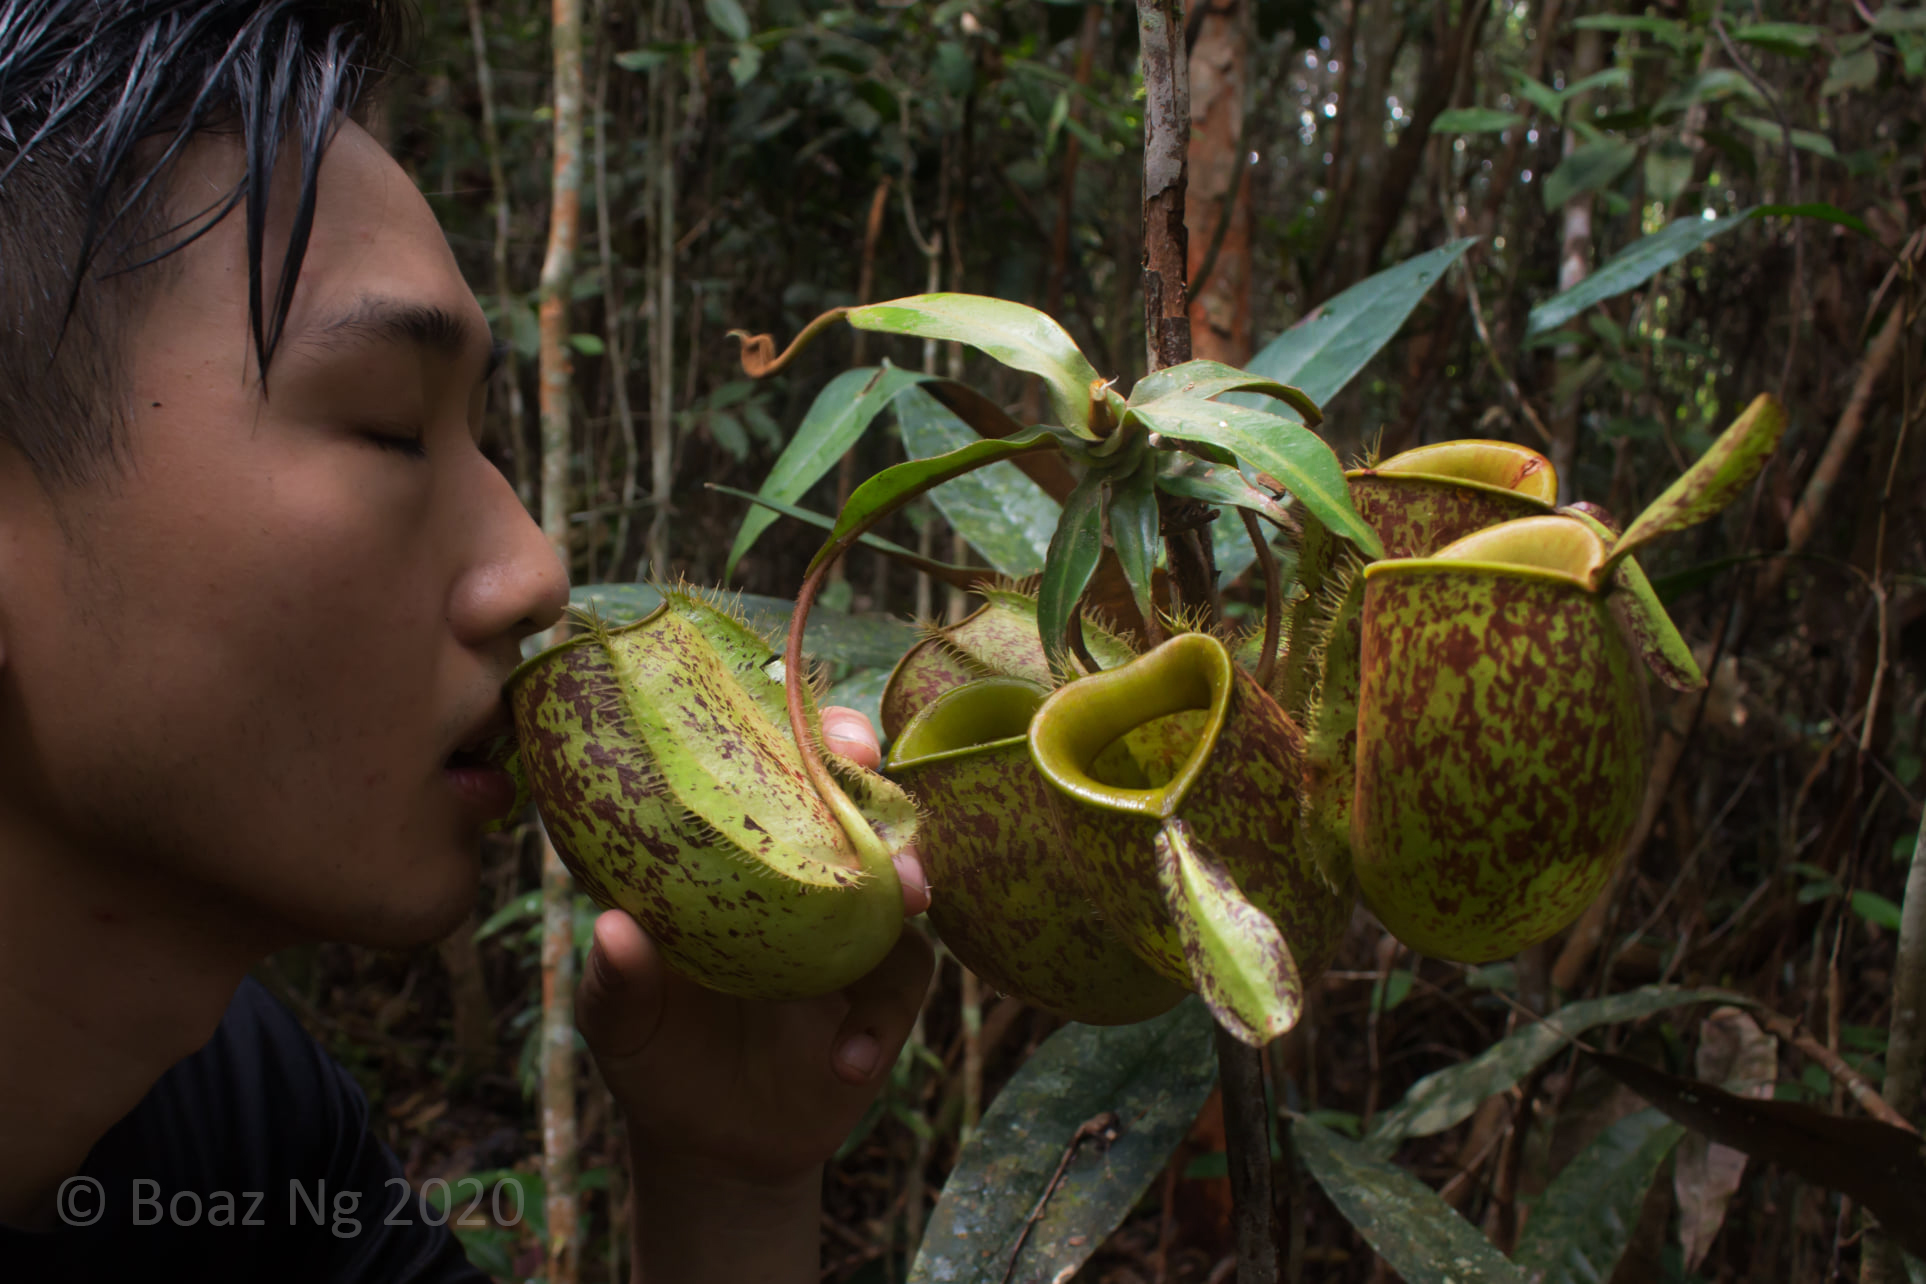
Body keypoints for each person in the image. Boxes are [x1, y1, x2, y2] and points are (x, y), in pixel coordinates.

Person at [0, 3, 933, 1280]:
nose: (536, 574)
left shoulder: (250, 1131)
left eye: (479, 437)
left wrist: (729, 1173)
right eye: (391, 425)